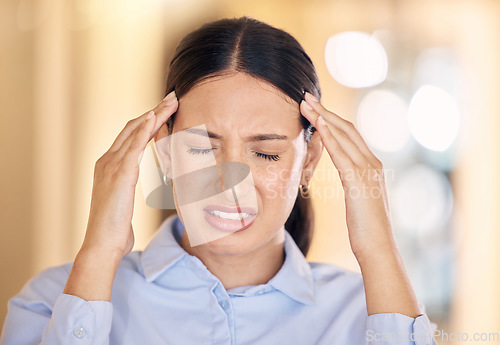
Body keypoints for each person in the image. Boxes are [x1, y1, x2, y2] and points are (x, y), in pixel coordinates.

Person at [0, 16, 438, 344]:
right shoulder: (57, 298)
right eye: (202, 148)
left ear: (309, 162)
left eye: (265, 152)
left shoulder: (368, 313)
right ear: (164, 151)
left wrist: (378, 247)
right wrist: (99, 251)